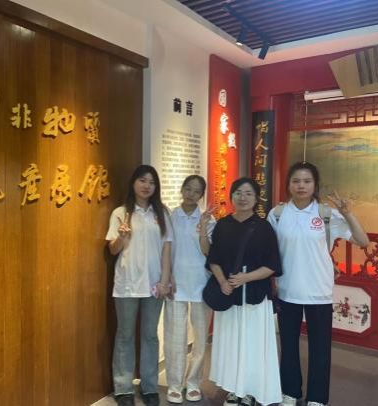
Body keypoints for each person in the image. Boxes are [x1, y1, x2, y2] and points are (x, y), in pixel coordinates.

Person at [267, 161, 369, 406]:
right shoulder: (277, 214)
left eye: (307, 181)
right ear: (289, 185)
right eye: (296, 181)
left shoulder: (326, 214)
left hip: (319, 291)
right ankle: (290, 392)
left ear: (315, 185)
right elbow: (268, 251)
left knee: (320, 348)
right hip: (288, 290)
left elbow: (362, 241)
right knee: (288, 346)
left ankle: (317, 398)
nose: (301, 186)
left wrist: (347, 213)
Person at [207, 177, 283, 406]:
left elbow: (273, 265)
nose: (243, 197)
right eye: (238, 192)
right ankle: (233, 390)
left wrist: (246, 278)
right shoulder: (222, 225)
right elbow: (213, 259)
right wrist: (222, 281)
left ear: (256, 198)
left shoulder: (264, 228)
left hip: (255, 297)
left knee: (253, 345)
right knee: (231, 344)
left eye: (249, 193)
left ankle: (250, 391)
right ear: (231, 196)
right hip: (229, 295)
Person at [106, 165, 173, 406]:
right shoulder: (121, 212)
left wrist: (165, 281)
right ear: (133, 182)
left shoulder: (162, 213)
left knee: (150, 336)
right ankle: (123, 388)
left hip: (154, 285)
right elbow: (113, 249)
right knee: (125, 335)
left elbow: (167, 249)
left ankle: (149, 387)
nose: (146, 186)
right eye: (142, 180)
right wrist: (122, 237)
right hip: (127, 283)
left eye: (151, 182)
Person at [164, 175, 216, 404]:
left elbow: (208, 252)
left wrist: (203, 227)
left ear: (201, 195)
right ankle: (174, 384)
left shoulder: (209, 219)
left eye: (196, 191)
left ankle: (193, 382)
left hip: (201, 284)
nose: (191, 194)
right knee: (175, 337)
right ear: (182, 189)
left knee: (200, 338)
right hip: (175, 284)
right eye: (188, 189)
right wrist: (166, 277)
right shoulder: (170, 217)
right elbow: (165, 249)